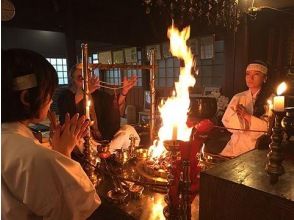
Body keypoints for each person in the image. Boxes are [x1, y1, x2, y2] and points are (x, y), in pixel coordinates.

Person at [1, 49, 101, 219]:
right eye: (48, 93)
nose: (51, 100)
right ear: (26, 98)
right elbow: (76, 208)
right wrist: (63, 153)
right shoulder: (34, 157)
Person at [57, 64, 140, 154]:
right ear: (73, 80)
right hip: (86, 139)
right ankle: (107, 152)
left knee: (129, 130)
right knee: (78, 140)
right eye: (80, 78)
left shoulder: (98, 94)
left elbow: (113, 105)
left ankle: (106, 152)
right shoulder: (66, 95)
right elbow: (67, 114)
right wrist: (85, 93)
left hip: (104, 138)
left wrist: (124, 92)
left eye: (87, 77)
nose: (85, 80)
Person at [220, 61, 273, 157]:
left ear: (265, 78)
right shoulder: (238, 97)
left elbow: (267, 127)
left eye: (256, 74)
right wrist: (239, 120)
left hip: (257, 147)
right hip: (236, 144)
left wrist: (246, 116)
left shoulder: (271, 99)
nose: (250, 78)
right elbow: (226, 120)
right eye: (248, 74)